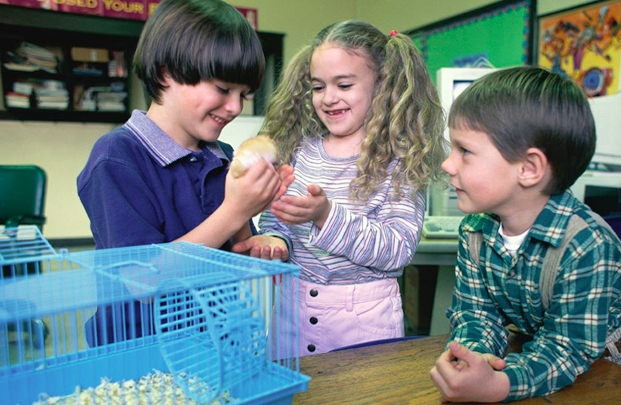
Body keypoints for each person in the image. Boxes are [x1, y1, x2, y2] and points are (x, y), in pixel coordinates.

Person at [429, 66, 621, 402]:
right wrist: (475, 358)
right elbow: (476, 314)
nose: (447, 164)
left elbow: (565, 349)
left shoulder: (586, 244)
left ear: (529, 169)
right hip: (545, 363)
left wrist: (499, 384)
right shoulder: (474, 230)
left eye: (465, 151)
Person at [76, 0, 292, 346]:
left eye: (244, 94)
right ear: (166, 73)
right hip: (141, 354)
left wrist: (264, 241)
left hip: (218, 346)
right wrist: (235, 210)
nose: (235, 107)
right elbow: (144, 282)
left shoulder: (223, 156)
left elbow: (236, 247)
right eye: (223, 89)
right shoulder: (116, 158)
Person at [233, 20, 447, 355]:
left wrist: (326, 215)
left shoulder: (398, 162)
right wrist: (275, 240)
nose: (328, 98)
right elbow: (280, 218)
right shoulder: (300, 150)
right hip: (292, 311)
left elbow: (398, 249)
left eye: (344, 85)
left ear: (383, 85)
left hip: (363, 321)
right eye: (318, 87)